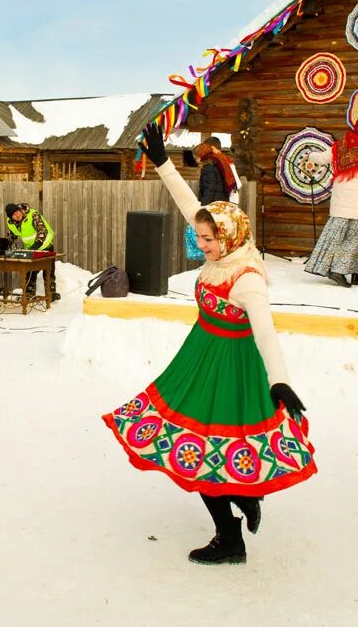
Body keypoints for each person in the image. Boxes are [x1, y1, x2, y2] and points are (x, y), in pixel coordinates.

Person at [103, 123, 316, 565]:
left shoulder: (246, 277)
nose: (202, 247)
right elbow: (189, 203)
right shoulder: (222, 246)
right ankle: (245, 497)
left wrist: (280, 382)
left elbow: (265, 331)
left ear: (230, 236)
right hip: (201, 353)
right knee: (197, 443)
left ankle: (230, 539)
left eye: (209, 240)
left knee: (203, 450)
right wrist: (161, 161)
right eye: (200, 238)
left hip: (233, 366)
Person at [302, 116, 358, 287]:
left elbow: (321, 158)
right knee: (355, 237)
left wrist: (310, 155)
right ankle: (339, 271)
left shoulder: (340, 144)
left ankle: (355, 272)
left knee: (336, 235)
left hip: (340, 197)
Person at [4, 203, 58, 300]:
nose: (18, 215)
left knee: (48, 270)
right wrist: (4, 245)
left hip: (45, 244)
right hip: (31, 248)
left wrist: (36, 246)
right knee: (30, 270)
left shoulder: (32, 215)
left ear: (20, 210)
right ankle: (29, 293)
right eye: (14, 215)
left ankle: (51, 294)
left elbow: (42, 231)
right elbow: (11, 235)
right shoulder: (11, 222)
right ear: (11, 217)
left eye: (18, 212)